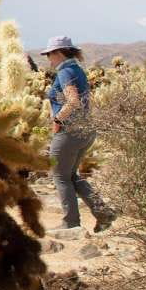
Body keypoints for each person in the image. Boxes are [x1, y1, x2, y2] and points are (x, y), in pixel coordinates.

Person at [41, 36, 114, 233]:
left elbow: (73, 101)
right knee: (71, 175)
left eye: (50, 54)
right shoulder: (78, 70)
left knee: (60, 176)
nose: (49, 59)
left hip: (69, 131)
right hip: (85, 130)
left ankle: (70, 223)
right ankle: (104, 213)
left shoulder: (65, 71)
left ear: (59, 52)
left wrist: (58, 120)